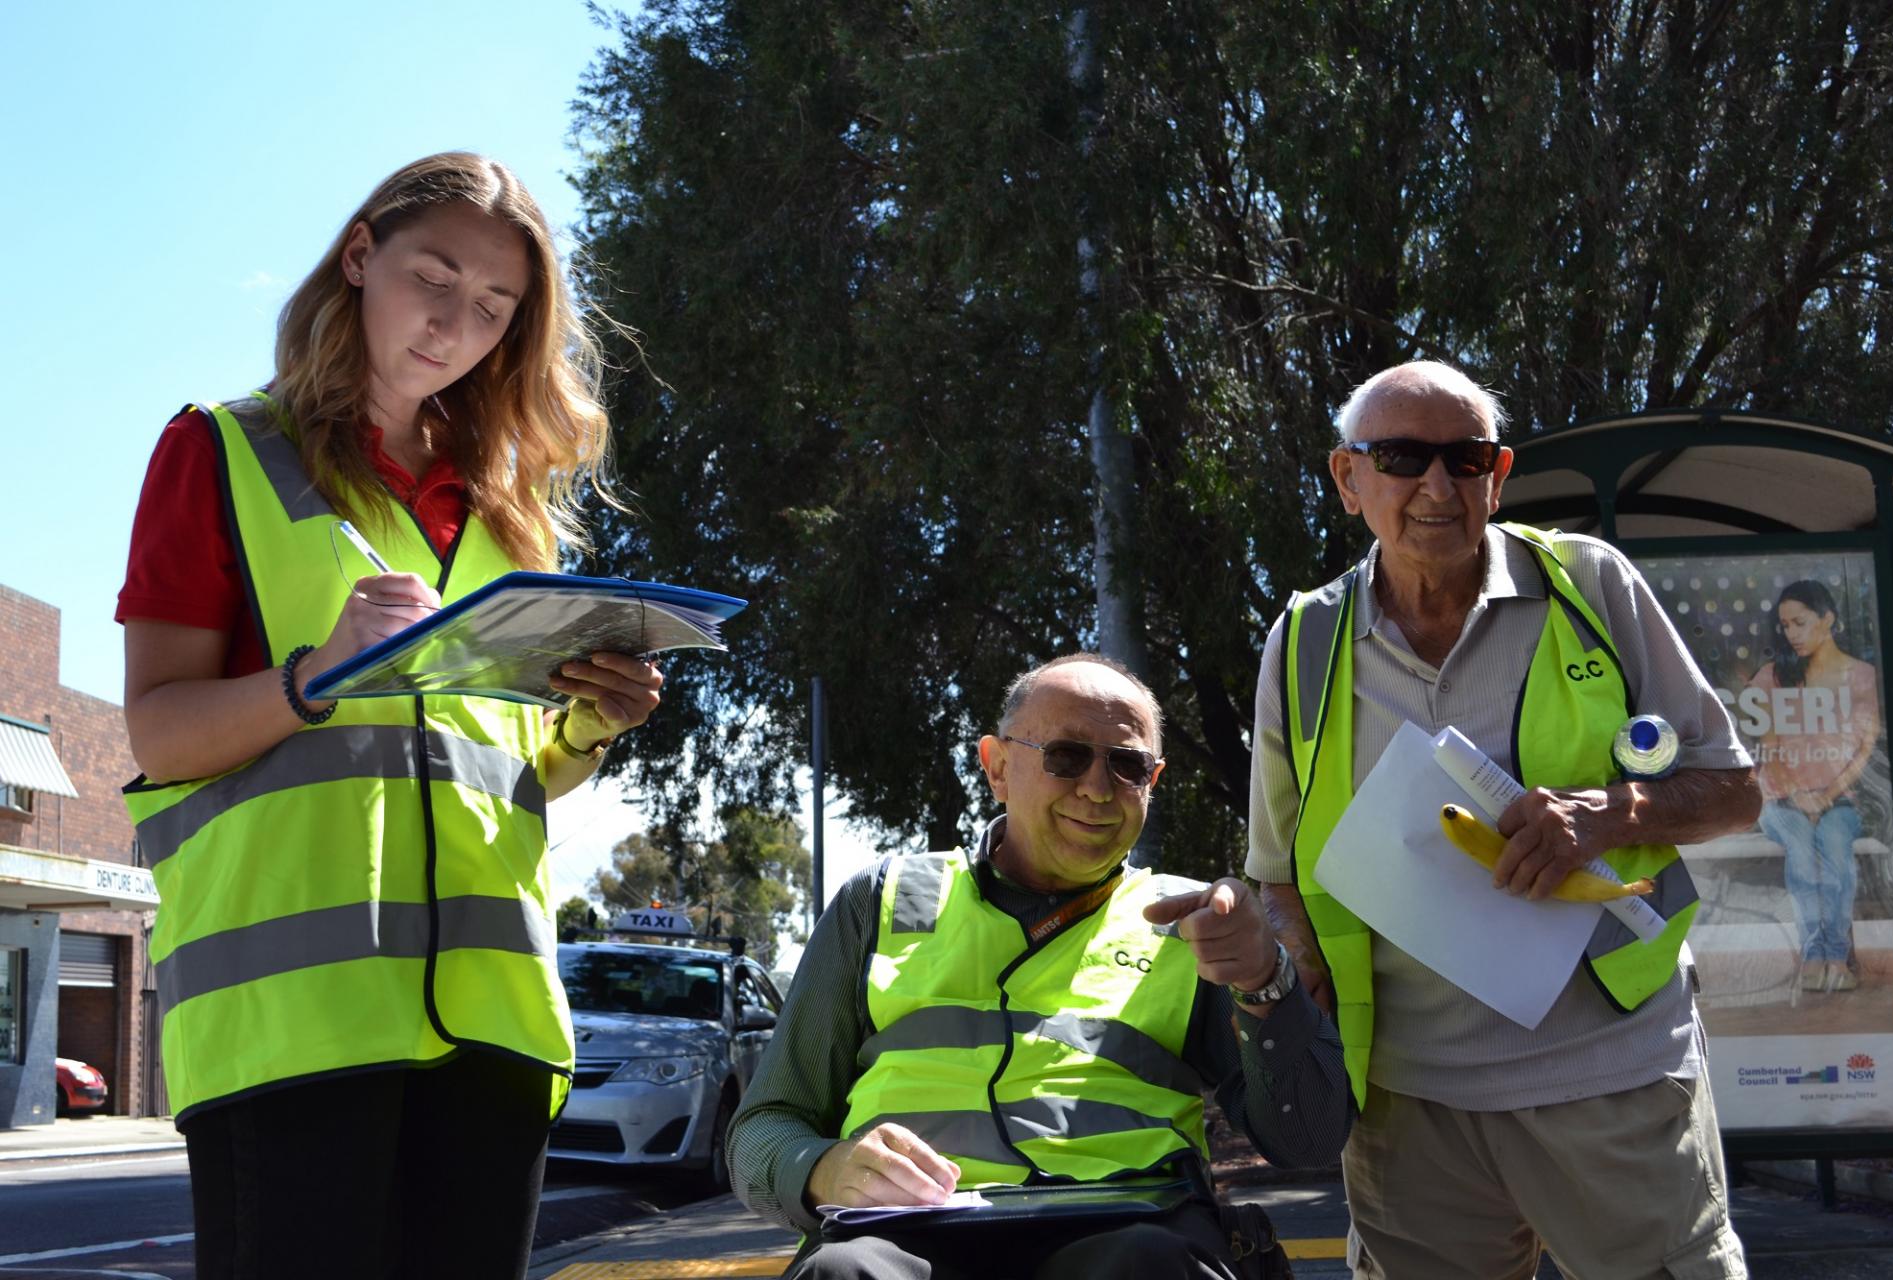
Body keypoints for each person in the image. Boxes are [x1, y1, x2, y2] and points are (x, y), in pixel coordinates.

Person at [117, 153, 662, 1280]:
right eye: (435, 276)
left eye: (494, 306)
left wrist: (592, 724)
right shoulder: (219, 452)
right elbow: (158, 732)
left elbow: (507, 769)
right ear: (361, 256)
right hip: (294, 1027)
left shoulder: (514, 525)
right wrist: (312, 673)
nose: (455, 321)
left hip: (494, 1021)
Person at [1246, 361, 1761, 1279]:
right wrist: (1294, 975)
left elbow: (1733, 789)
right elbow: (1279, 873)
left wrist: (1607, 812)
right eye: (1402, 457)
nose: (1437, 486)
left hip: (1613, 1077)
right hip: (1410, 1106)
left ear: (1500, 472)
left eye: (1466, 458)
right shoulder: (1303, 642)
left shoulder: (1590, 586)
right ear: (1348, 477)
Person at [729, 653, 1350, 1280]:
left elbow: (1313, 1140)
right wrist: (820, 1168)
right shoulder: (880, 902)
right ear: (997, 767)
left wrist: (1264, 979)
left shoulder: (1193, 920)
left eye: (1127, 765)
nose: (1098, 788)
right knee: (845, 1273)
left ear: (1152, 782)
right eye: (1067, 756)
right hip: (906, 1236)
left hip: (1131, 1232)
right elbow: (764, 1125)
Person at [1746, 579, 1882, 993]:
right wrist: (1798, 794)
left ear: (1828, 620)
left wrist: (1826, 794)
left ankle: (1835, 955)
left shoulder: (1860, 677)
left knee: (1837, 858)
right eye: (1785, 625)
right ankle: (1813, 954)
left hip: (1838, 799)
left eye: (1800, 623)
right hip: (1781, 800)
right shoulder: (1772, 677)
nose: (1792, 634)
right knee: (1803, 857)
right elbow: (1767, 749)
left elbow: (1864, 749)